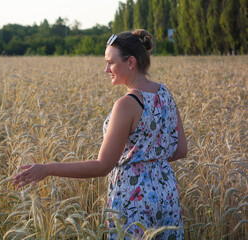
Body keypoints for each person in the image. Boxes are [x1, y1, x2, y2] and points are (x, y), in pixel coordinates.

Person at [14, 29, 187, 239]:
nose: (106, 69)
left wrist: (47, 168)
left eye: (111, 62)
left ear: (131, 62)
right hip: (167, 192)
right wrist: (151, 162)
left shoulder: (127, 104)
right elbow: (181, 150)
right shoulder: (165, 93)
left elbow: (103, 166)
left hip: (134, 200)